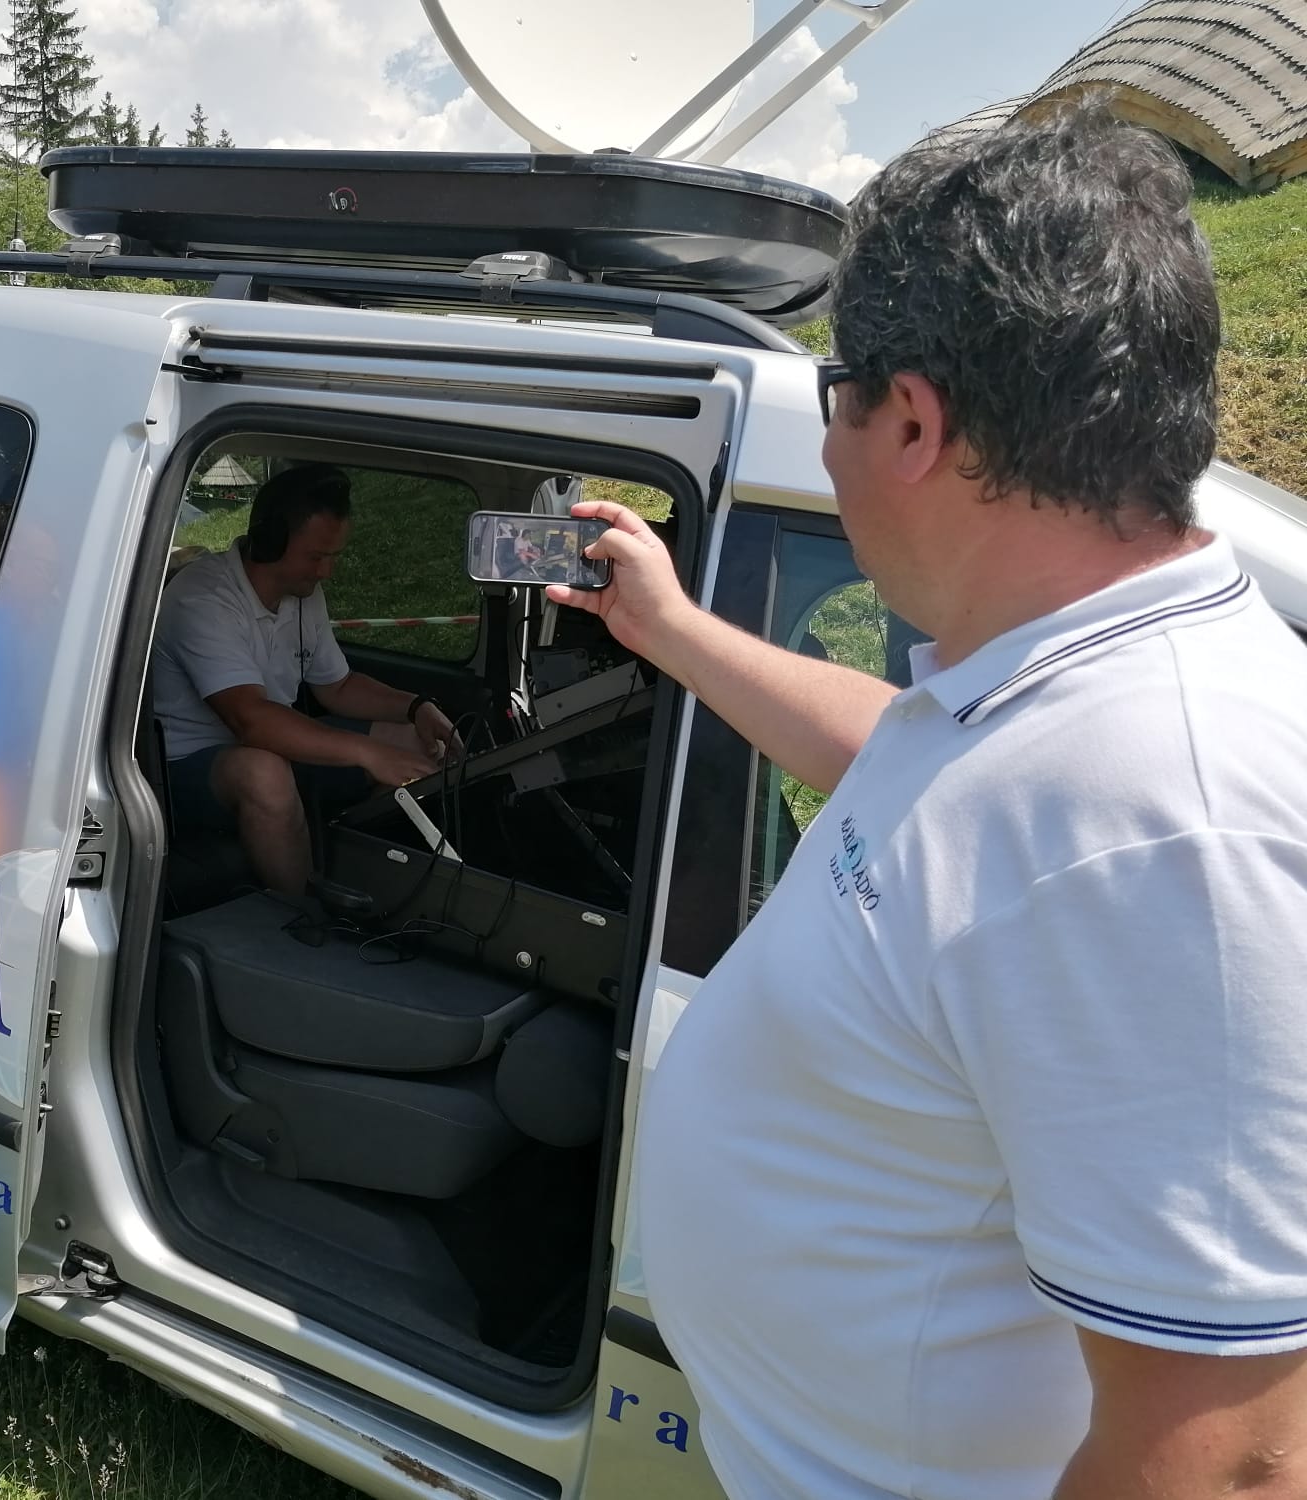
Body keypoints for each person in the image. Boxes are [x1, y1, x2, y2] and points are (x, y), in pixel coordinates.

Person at [552, 105, 1307, 1499]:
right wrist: (669, 630)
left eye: (833, 396)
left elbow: (1227, 1465)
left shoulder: (1160, 823)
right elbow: (916, 774)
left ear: (910, 419)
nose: (828, 446)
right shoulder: (1046, 694)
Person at [152, 463, 458, 896]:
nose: (326, 572)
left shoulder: (302, 594)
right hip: (188, 769)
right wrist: (366, 752)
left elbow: (338, 687)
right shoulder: (203, 598)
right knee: (264, 772)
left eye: (333, 557)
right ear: (270, 541)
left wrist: (416, 707)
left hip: (272, 746)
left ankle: (374, 886)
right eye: (316, 557)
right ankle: (304, 915)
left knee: (415, 742)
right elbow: (251, 720)